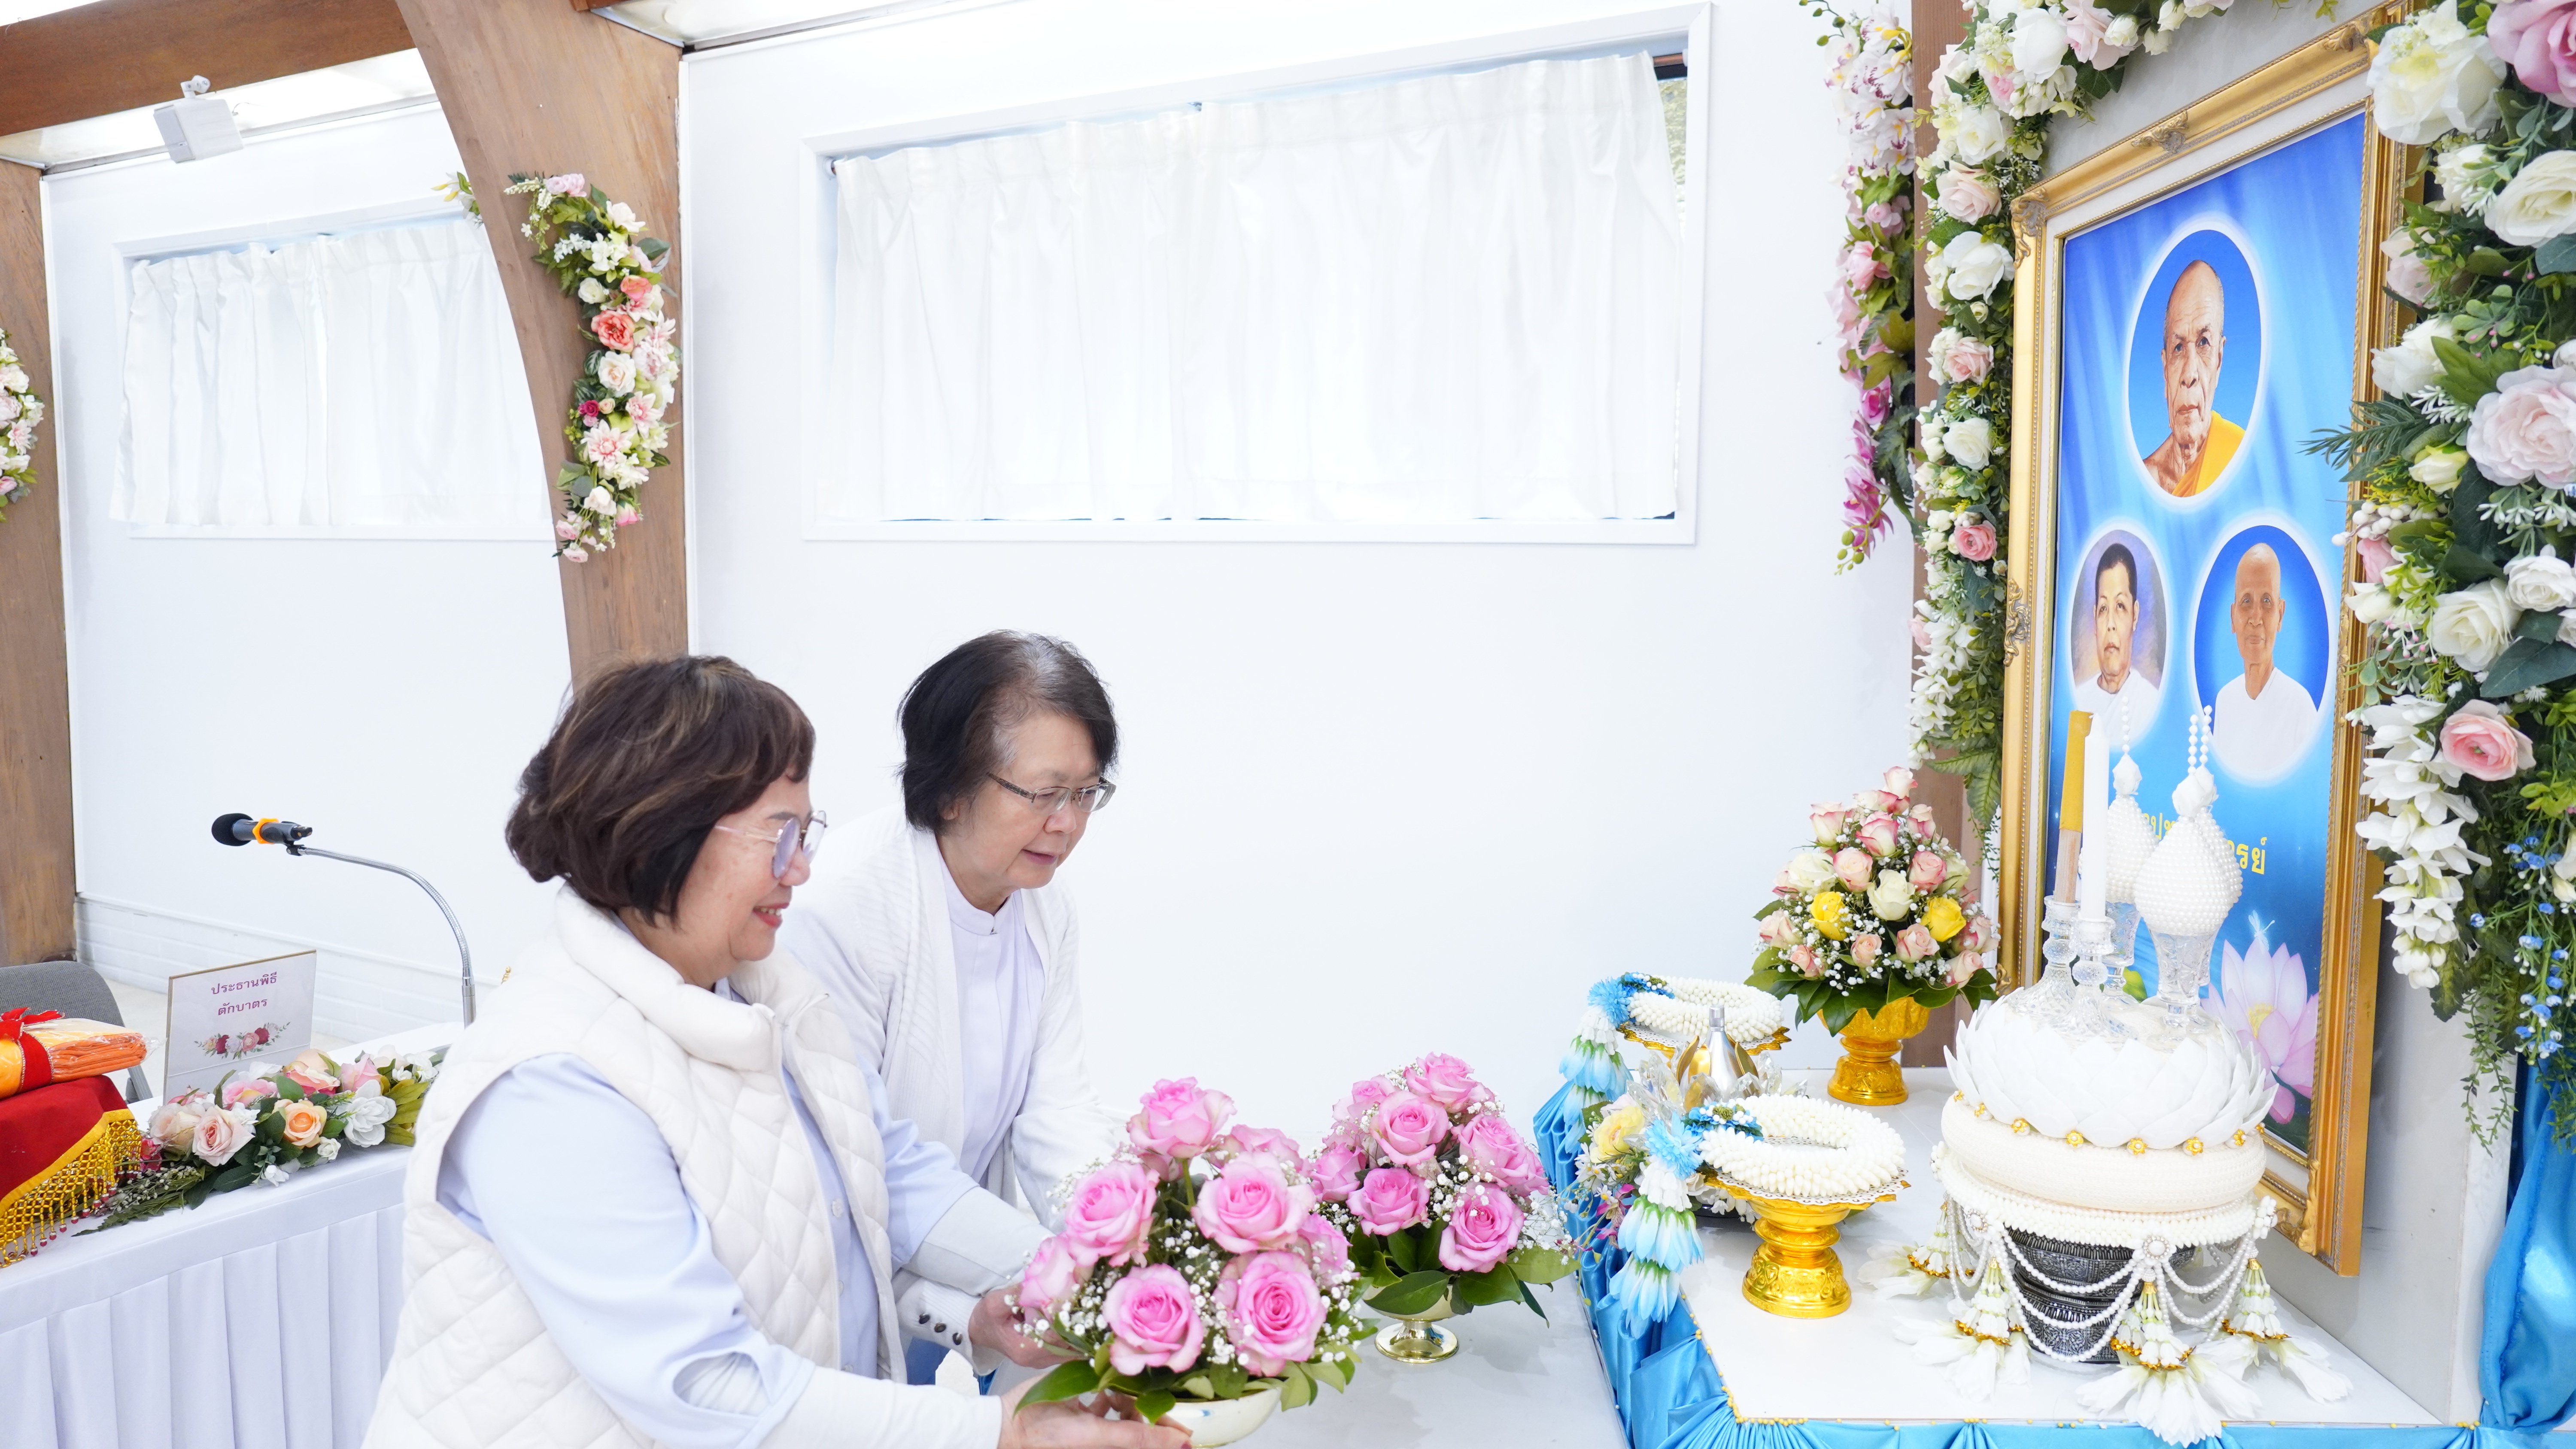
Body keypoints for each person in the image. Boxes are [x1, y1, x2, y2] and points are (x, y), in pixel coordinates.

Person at [365, 656, 1180, 1449]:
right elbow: (700, 1383)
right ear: (664, 831)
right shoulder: (553, 1079)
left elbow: (889, 1168)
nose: (802, 867)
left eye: (807, 830)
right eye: (779, 833)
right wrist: (994, 1434)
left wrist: (1078, 1277)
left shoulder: (766, 987)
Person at [778, 631, 1122, 1387]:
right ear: (950, 788)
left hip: (967, 1276)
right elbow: (866, 1160)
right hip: (847, 1296)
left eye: (1087, 793)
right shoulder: (845, 904)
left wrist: (1126, 1240)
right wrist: (1067, 1271)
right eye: (1043, 792)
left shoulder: (1045, 908)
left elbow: (1055, 1112)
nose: (1067, 822)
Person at [2211, 543, 2317, 779]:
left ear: (2280, 615)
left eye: (2267, 602)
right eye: (2246, 602)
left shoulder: (2300, 706)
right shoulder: (2225, 701)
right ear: (2233, 617)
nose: (2256, 619)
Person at [2141, 260, 2244, 498]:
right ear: (2165, 370)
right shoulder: (2144, 483)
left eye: (2203, 343)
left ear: (2219, 360)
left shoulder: (2242, 457)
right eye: (2178, 348)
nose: (2189, 375)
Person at [2069, 542, 2161, 744]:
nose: (2110, 624)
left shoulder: (2152, 703)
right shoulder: (2078, 701)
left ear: (2135, 616)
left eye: (2120, 606)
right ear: (2095, 619)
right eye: (2103, 609)